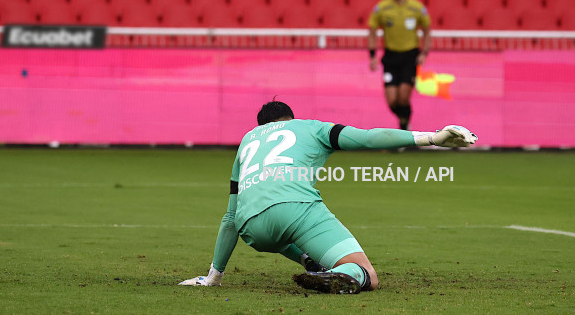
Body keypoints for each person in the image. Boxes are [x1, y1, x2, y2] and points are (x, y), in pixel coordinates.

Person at [179, 100, 477, 293]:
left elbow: (230, 217)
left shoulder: (247, 141)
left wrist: (213, 277)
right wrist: (431, 138)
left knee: (278, 231)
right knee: (367, 275)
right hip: (297, 211)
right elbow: (368, 138)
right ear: (289, 119)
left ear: (261, 127)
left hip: (252, 229)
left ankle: (310, 261)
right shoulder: (309, 127)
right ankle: (343, 272)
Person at [368, 0, 431, 131]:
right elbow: (372, 30)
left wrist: (424, 53)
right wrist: (372, 55)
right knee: (392, 100)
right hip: (390, 56)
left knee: (403, 96)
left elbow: (427, 31)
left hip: (410, 55)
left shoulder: (416, 8)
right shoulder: (382, 8)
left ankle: (404, 127)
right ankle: (405, 118)